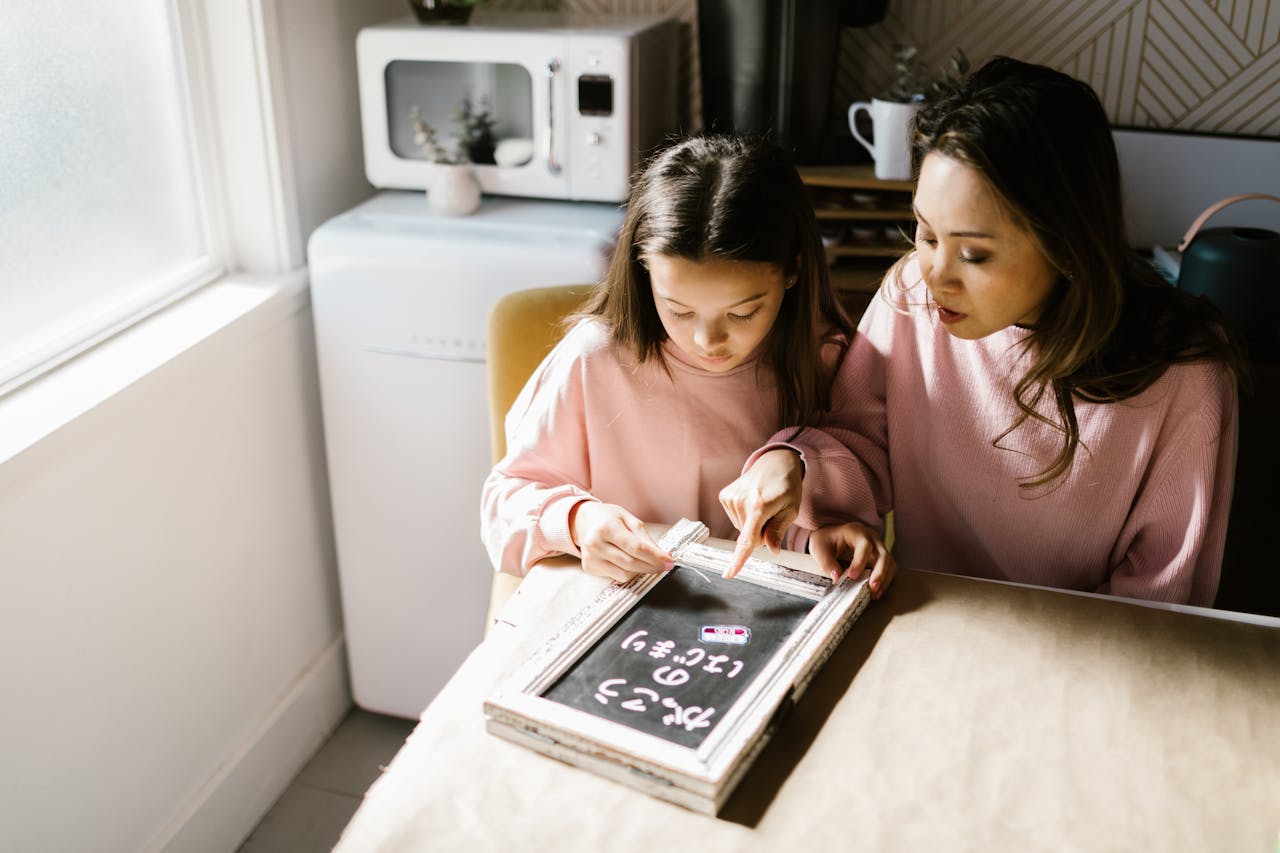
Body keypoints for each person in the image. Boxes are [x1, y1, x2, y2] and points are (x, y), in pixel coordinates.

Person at [724, 57, 1244, 606]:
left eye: (973, 254)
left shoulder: (1183, 369)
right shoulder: (911, 295)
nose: (935, 275)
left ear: (1066, 244)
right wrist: (793, 463)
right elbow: (860, 441)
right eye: (925, 234)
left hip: (1090, 650)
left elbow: (1164, 587)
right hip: (933, 619)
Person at [481, 134, 894, 592]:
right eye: (678, 309)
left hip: (765, 605)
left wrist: (821, 535)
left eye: (743, 312)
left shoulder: (821, 356)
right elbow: (504, 503)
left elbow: (847, 488)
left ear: (793, 271)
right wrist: (577, 522)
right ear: (644, 273)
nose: (707, 340)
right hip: (623, 601)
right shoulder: (594, 358)